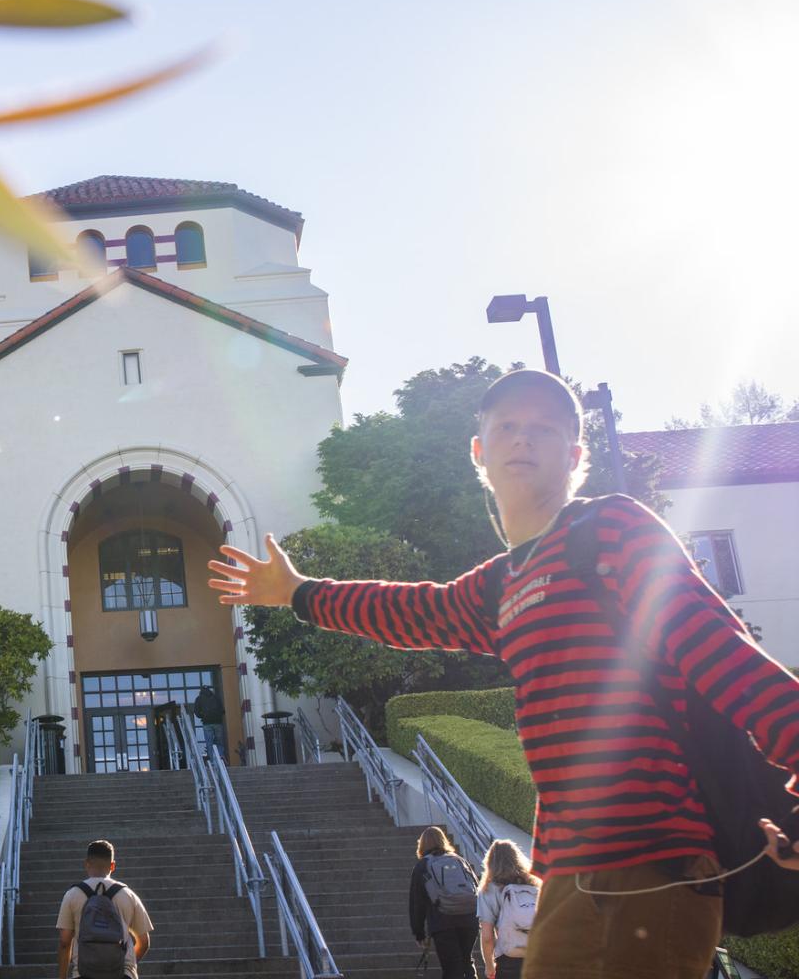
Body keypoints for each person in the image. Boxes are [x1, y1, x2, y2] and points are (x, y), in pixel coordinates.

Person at [207, 368, 799, 979]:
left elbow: (723, 657)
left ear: (574, 456)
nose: (523, 440)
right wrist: (299, 592)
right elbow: (408, 611)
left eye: (544, 429)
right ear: (479, 452)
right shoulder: (501, 583)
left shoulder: (613, 530)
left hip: (658, 859)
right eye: (507, 427)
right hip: (568, 873)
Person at [56, 839, 152, 979]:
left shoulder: (72, 895)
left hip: (84, 973)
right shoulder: (128, 894)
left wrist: (62, 977)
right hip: (122, 974)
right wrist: (127, 965)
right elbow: (144, 942)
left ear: (86, 863)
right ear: (112, 866)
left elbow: (65, 942)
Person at [409, 826, 480, 979]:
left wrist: (419, 933)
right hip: (469, 919)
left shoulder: (422, 866)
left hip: (443, 921)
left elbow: (417, 903)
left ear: (422, 844)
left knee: (451, 967)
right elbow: (476, 887)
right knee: (467, 961)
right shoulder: (460, 860)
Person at [477, 839, 541, 979]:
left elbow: (487, 937)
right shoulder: (535, 886)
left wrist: (489, 966)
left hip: (509, 960)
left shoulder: (489, 890)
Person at [193, 684, 226, 761]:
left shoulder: (199, 699)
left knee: (209, 742)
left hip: (207, 723)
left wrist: (202, 716)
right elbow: (222, 710)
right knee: (220, 741)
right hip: (218, 722)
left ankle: (211, 760)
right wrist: (219, 716)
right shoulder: (216, 697)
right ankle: (221, 755)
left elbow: (196, 711)